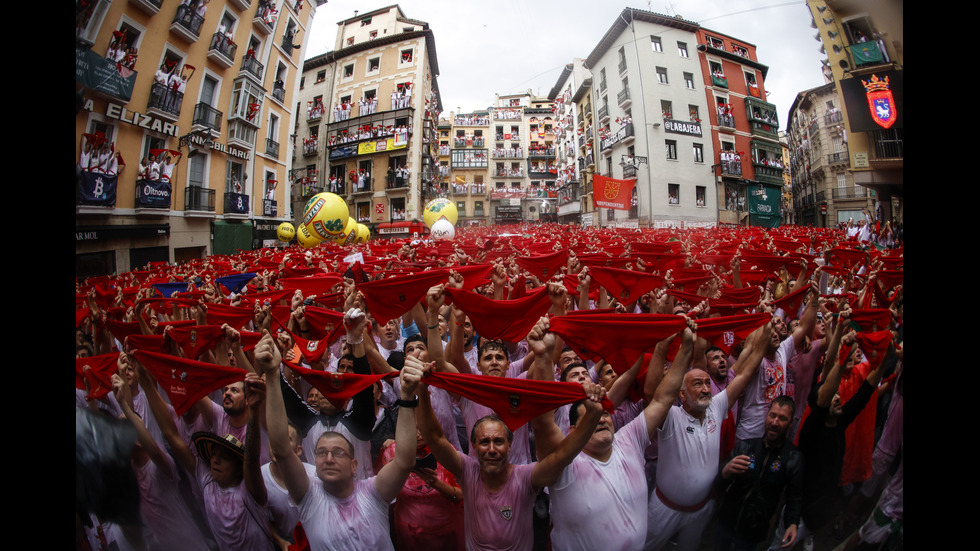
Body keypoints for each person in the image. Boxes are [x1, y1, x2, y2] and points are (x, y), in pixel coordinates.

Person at [528, 316, 698, 550]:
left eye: (604, 413)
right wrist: (543, 356)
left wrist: (686, 347)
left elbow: (663, 398)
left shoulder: (629, 440)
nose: (600, 418)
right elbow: (543, 422)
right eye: (590, 416)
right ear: (573, 431)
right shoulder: (564, 463)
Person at [416, 348, 606, 551]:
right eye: (484, 442)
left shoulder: (525, 478)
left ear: (510, 445)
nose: (491, 449)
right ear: (473, 446)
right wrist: (421, 389)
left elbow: (562, 456)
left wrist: (592, 416)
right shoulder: (467, 471)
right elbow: (435, 437)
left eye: (498, 441)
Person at [261, 321, 422, 551]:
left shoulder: (373, 493)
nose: (328, 458)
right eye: (320, 452)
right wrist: (272, 374)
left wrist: (406, 397)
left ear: (354, 464)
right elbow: (281, 449)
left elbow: (404, 461)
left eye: (338, 452)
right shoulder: (308, 497)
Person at [646, 321, 772, 551]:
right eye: (698, 384)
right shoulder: (671, 417)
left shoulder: (716, 407)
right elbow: (651, 393)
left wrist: (766, 329)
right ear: (682, 394)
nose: (706, 389)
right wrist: (662, 347)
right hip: (663, 509)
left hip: (700, 510)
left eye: (707, 383)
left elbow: (746, 373)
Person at [715, 395, 804, 551]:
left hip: (752, 532)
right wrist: (725, 472)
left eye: (782, 418)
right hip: (727, 522)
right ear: (766, 416)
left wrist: (792, 523)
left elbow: (794, 496)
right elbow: (719, 486)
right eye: (772, 415)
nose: (775, 422)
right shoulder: (746, 447)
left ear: (790, 423)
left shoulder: (792, 457)